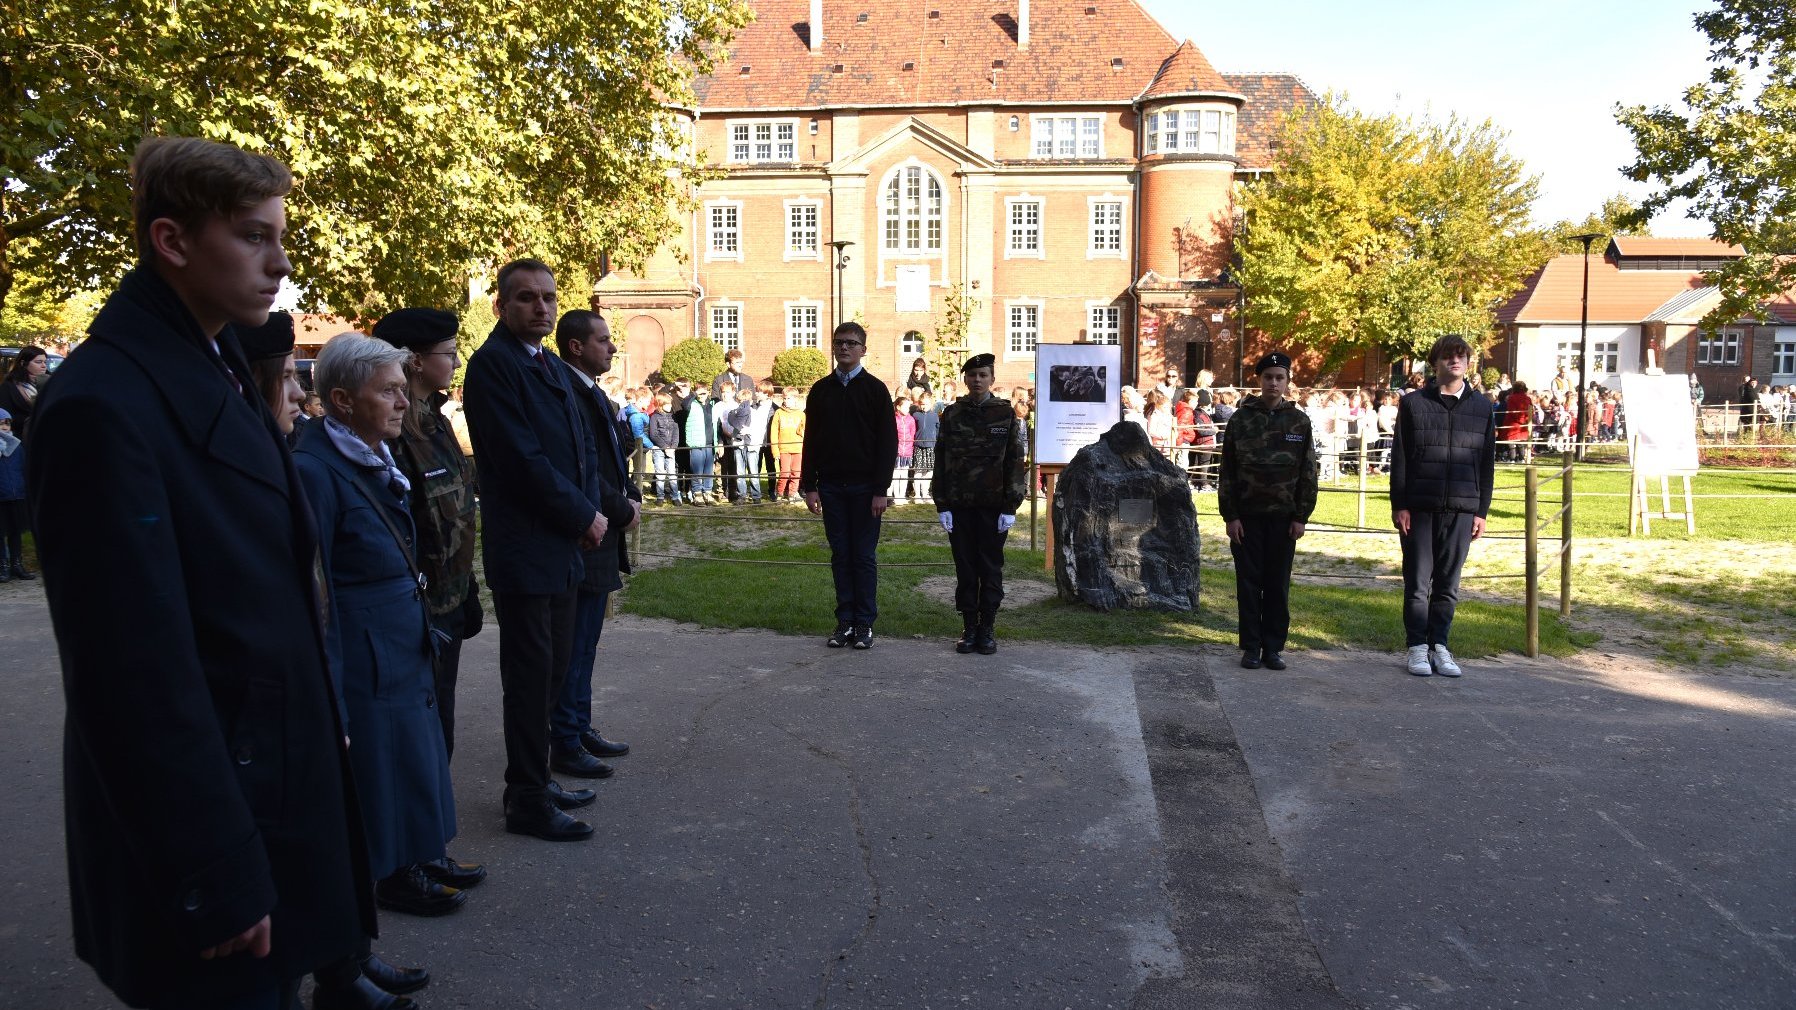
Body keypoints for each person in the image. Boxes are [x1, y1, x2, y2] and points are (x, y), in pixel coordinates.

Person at [29, 136, 372, 1010]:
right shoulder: (106, 402)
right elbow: (131, 671)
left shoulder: (209, 360)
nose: (279, 265)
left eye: (279, 238)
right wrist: (209, 868)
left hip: (265, 783)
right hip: (212, 825)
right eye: (254, 238)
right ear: (173, 243)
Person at [296, 332, 465, 923]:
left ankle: (422, 852)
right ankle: (393, 873)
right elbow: (314, 585)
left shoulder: (369, 454)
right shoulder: (317, 469)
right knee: (383, 761)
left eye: (402, 388)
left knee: (415, 751)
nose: (401, 402)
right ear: (342, 400)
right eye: (388, 391)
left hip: (397, 631)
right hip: (366, 640)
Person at [462, 258, 605, 842]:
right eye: (525, 298)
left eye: (547, 297)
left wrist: (591, 513)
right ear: (500, 306)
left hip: (564, 546)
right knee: (528, 679)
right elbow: (522, 462)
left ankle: (539, 778)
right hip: (527, 549)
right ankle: (524, 795)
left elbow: (580, 451)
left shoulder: (545, 362)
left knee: (551, 674)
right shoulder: (493, 366)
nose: (540, 307)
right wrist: (583, 514)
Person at [371, 310, 487, 783]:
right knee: (420, 730)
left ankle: (432, 839)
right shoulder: (392, 432)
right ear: (416, 361)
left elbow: (455, 514)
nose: (457, 362)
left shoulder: (435, 423)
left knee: (441, 723)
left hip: (449, 600)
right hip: (418, 613)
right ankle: (420, 848)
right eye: (449, 352)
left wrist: (467, 590)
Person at [549, 310, 639, 781]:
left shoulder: (590, 391)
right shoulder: (565, 393)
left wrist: (631, 496)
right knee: (574, 644)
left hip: (602, 529)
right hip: (588, 531)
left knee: (586, 643)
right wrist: (621, 508)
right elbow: (582, 469)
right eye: (603, 340)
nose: (612, 347)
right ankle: (564, 736)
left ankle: (577, 726)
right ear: (576, 346)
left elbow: (613, 458)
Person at [1390, 334, 1496, 679]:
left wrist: (1481, 510)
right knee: (1418, 584)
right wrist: (1400, 504)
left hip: (1463, 508)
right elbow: (1401, 456)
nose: (1455, 361)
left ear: (1468, 363)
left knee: (1448, 585)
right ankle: (1417, 646)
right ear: (1435, 362)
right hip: (1420, 506)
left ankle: (1440, 646)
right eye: (1448, 356)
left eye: (1461, 356)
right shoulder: (1413, 404)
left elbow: (1487, 462)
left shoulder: (1482, 407)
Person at [799, 321, 898, 649]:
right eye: (839, 342)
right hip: (830, 487)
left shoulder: (875, 390)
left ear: (863, 350)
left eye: (852, 343)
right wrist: (808, 485)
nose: (844, 347)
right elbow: (811, 440)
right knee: (841, 555)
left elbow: (888, 443)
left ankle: (865, 624)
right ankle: (845, 622)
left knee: (864, 556)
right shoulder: (821, 390)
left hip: (866, 489)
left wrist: (881, 490)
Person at [1218, 352, 1317, 671]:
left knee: (1277, 585)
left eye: (1280, 377)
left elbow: (1308, 473)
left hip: (1283, 519)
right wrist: (1230, 515)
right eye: (1268, 377)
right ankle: (1251, 647)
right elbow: (1228, 472)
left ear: (1288, 382)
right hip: (1247, 518)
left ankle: (1273, 647)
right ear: (1259, 381)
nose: (1273, 383)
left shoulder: (1299, 422)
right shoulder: (1240, 420)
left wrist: (1301, 516)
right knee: (1248, 585)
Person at [931, 353, 1028, 654]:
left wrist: (1011, 506)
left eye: (983, 375)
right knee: (965, 568)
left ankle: (987, 627)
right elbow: (941, 459)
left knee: (990, 567)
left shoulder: (1005, 414)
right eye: (972, 375)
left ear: (992, 380)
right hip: (960, 505)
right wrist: (942, 503)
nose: (977, 380)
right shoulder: (952, 413)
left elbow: (1015, 461)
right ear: (965, 379)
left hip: (993, 506)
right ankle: (969, 627)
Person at [683, 384, 720, 505]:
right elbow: (684, 404)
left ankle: (707, 493)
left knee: (709, 470)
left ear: (708, 393)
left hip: (710, 443)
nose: (701, 395)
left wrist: (718, 442)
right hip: (696, 443)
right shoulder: (692, 404)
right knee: (696, 470)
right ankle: (697, 493)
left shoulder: (712, 405)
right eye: (699, 393)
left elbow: (717, 424)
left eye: (704, 393)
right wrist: (695, 394)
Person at [0, 344, 47, 439]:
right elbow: (5, 416)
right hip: (22, 439)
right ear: (23, 363)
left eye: (45, 362)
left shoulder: (49, 382)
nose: (44, 366)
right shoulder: (9, 386)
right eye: (38, 362)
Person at [770, 387, 806, 503]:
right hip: (784, 449)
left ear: (795, 399)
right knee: (784, 471)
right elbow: (774, 432)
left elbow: (804, 431)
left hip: (798, 448)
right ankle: (780, 493)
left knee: (796, 472)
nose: (786, 401)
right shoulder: (779, 413)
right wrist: (775, 450)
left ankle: (792, 493)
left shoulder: (801, 414)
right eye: (784, 398)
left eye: (789, 398)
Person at [647, 391, 683, 504]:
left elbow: (676, 432)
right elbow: (653, 434)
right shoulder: (654, 417)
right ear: (661, 404)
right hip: (659, 450)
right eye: (668, 404)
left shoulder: (673, 417)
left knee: (672, 473)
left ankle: (675, 496)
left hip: (671, 450)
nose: (670, 406)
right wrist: (665, 447)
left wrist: (673, 447)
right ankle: (660, 496)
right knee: (660, 473)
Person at [0, 409, 23, 584]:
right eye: (1, 423)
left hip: (16, 494)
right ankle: (4, 565)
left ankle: (17, 564)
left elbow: (23, 467)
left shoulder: (16, 445)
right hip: (1, 495)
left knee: (16, 531)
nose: (5, 427)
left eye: (7, 423)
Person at [910, 390, 939, 503]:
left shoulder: (935, 416)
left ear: (931, 404)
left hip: (931, 447)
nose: (924, 406)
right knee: (918, 470)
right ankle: (917, 494)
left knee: (929, 471)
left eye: (926, 404)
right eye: (922, 404)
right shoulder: (916, 415)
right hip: (918, 447)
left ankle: (925, 493)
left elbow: (937, 430)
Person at [1498, 380, 1533, 463]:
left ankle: (1512, 459)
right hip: (1524, 423)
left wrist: (1520, 420)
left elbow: (1512, 410)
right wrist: (1526, 420)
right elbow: (1531, 410)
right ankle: (1521, 458)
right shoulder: (1528, 398)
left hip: (1513, 422)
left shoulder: (1511, 398)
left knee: (1512, 442)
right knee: (1521, 442)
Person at [891, 394, 917, 501]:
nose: (908, 409)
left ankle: (902, 496)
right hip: (897, 452)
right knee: (896, 474)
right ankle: (896, 496)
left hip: (907, 452)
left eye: (908, 407)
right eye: (905, 407)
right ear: (898, 407)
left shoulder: (911, 419)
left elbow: (913, 433)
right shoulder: (893, 419)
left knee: (904, 474)